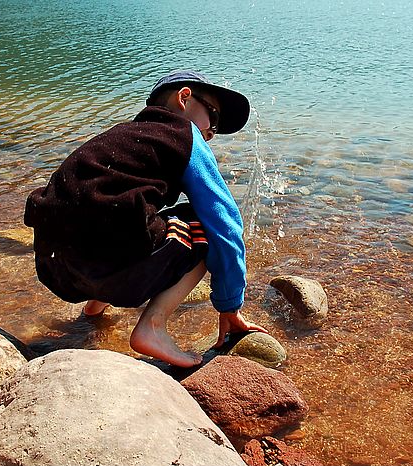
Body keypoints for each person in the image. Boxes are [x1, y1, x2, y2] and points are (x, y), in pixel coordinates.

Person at [24, 69, 268, 368]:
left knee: (126, 210)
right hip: (108, 263)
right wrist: (229, 305)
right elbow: (226, 224)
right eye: (213, 117)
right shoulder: (185, 135)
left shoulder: (119, 135)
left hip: (56, 269)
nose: (212, 132)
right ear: (184, 98)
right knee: (201, 223)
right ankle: (152, 328)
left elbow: (83, 200)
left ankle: (95, 306)